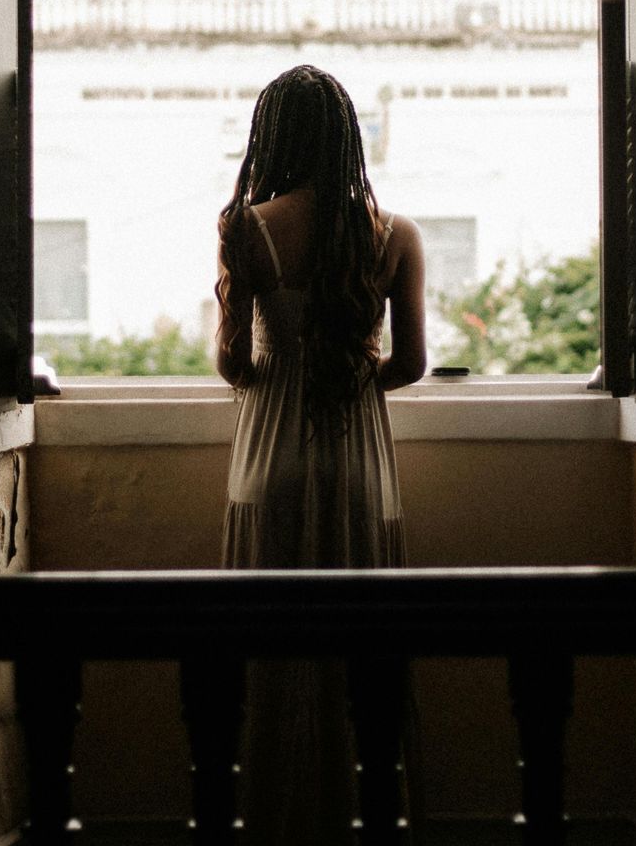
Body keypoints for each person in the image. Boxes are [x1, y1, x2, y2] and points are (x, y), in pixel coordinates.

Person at [213, 64, 426, 843]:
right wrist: (351, 374)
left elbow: (235, 365)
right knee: (363, 656)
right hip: (359, 457)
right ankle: (360, 820)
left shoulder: (246, 225)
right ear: (348, 140)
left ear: (270, 137)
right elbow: (411, 365)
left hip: (270, 452)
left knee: (268, 651)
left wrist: (276, 357)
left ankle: (272, 820)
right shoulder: (395, 234)